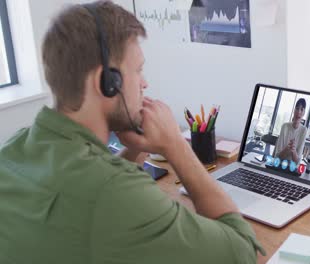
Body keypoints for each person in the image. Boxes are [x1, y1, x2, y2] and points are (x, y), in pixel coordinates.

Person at [0, 1, 263, 263]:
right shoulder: (115, 194)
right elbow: (243, 251)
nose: (145, 82)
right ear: (107, 82)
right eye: (138, 70)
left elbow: (91, 188)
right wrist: (175, 146)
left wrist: (137, 146)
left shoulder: (13, 150)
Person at [274, 98, 307, 164]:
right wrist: (286, 149)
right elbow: (277, 157)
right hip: (280, 165)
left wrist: (293, 151)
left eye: (301, 109)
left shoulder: (304, 130)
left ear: (304, 113)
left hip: (292, 168)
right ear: (294, 111)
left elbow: (297, 162)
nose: (299, 112)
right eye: (297, 108)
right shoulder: (285, 126)